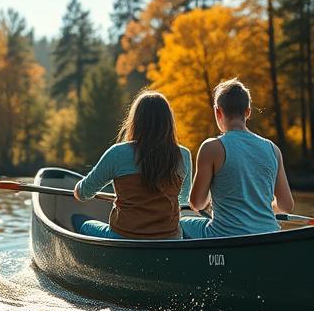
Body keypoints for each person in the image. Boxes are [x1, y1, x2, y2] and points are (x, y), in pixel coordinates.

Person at [70, 90, 193, 239]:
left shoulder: (118, 153)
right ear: (168, 122)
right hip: (169, 239)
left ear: (136, 121)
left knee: (84, 224)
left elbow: (84, 193)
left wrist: (77, 190)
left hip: (124, 238)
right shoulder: (183, 155)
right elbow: (183, 199)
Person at [180, 78, 294, 239]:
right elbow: (286, 205)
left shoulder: (211, 148)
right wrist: (258, 207)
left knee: (181, 222)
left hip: (224, 235)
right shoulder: (273, 150)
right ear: (248, 112)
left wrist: (210, 204)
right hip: (268, 235)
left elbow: (197, 203)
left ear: (217, 111)